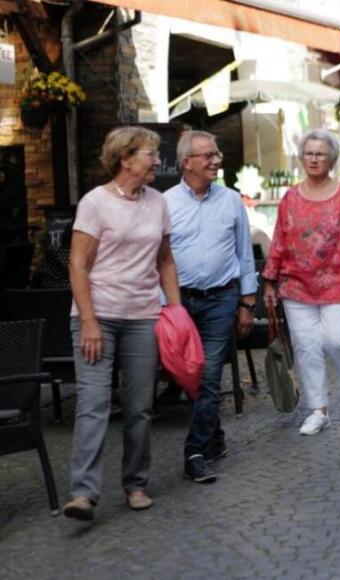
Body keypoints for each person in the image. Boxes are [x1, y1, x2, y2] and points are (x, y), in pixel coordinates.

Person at [62, 126, 182, 520]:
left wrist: (176, 312)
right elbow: (78, 265)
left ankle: (135, 483)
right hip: (97, 317)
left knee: (140, 406)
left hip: (143, 316)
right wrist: (91, 323)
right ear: (125, 159)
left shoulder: (158, 202)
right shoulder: (95, 203)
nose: (157, 160)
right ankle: (84, 493)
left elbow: (165, 260)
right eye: (150, 153)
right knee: (94, 405)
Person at [165, 130, 258, 484]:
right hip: (180, 301)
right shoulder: (166, 203)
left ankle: (195, 452)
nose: (216, 160)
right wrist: (165, 306)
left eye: (217, 154)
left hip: (221, 299)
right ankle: (214, 436)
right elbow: (160, 258)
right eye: (208, 155)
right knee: (188, 376)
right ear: (186, 162)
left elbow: (243, 254)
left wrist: (247, 302)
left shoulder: (231, 200)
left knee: (207, 375)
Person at [262, 129, 340, 435]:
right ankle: (318, 409)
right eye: (309, 153)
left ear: (332, 158)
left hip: (337, 281)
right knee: (306, 347)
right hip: (295, 284)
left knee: (338, 339)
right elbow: (279, 239)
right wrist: (269, 280)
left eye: (320, 153)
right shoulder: (290, 197)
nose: (314, 159)